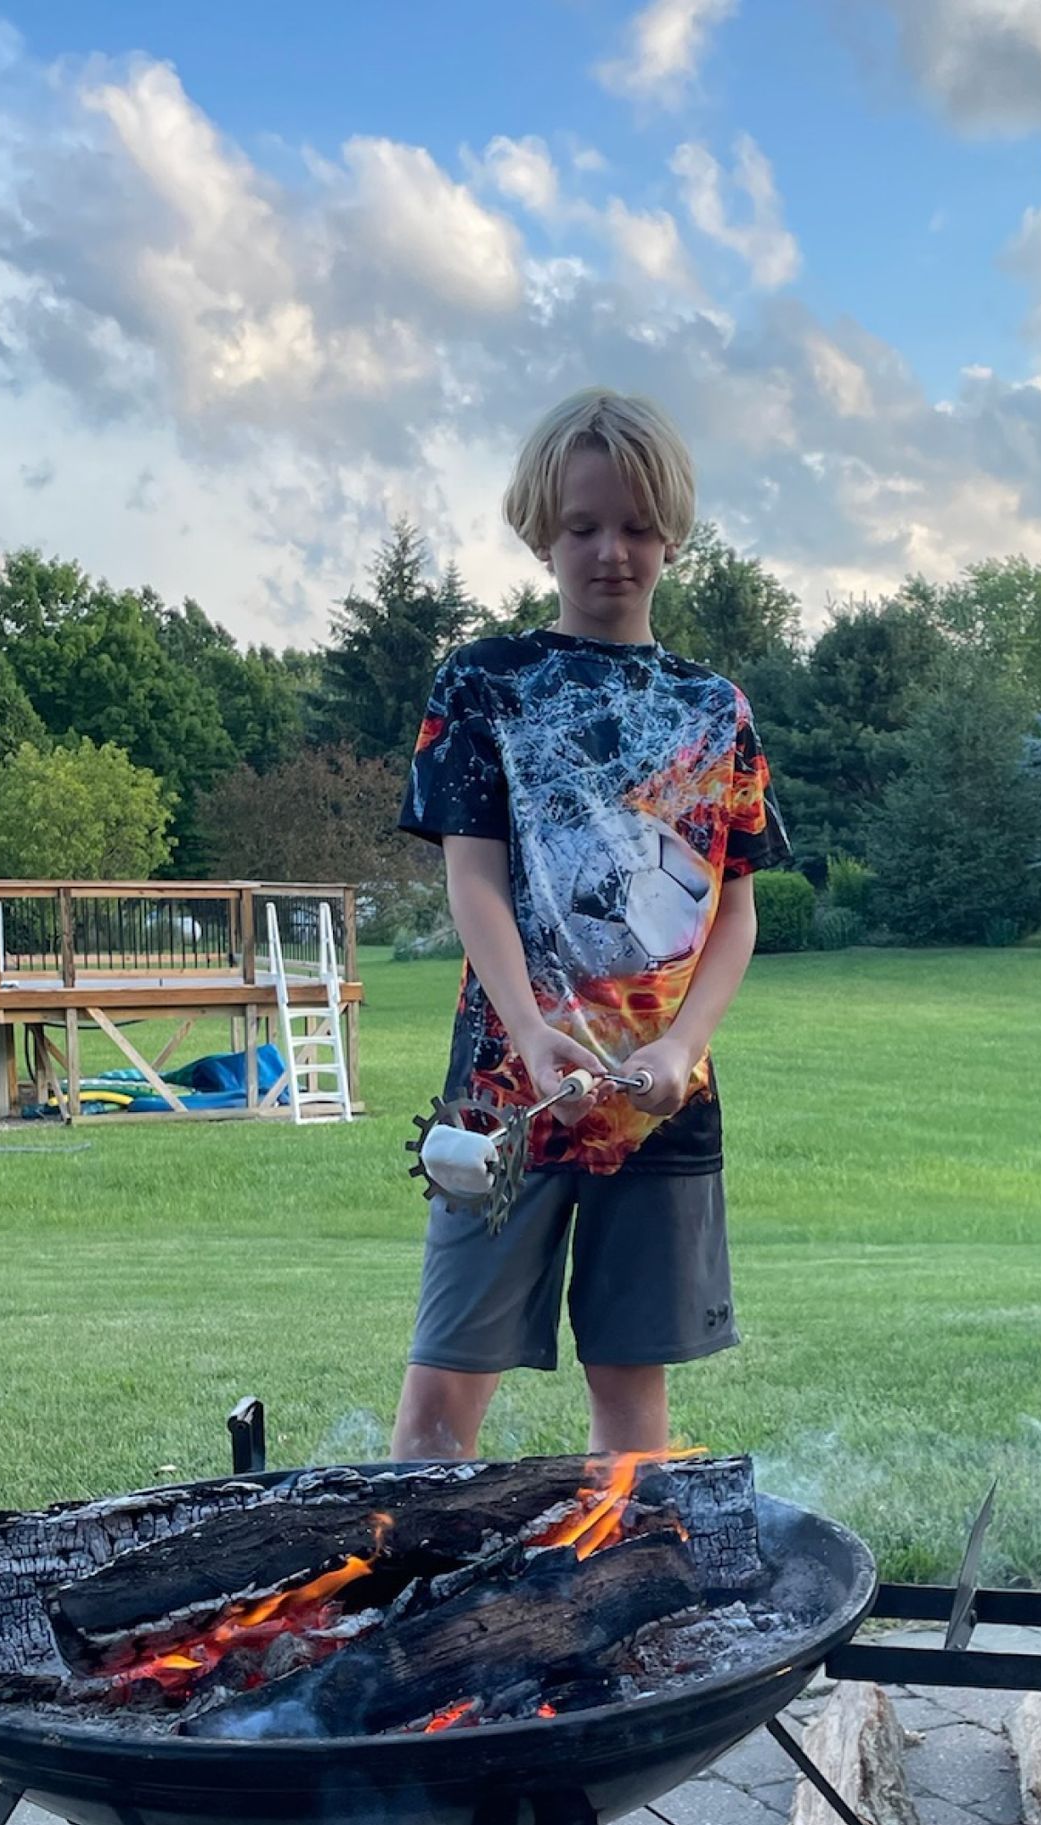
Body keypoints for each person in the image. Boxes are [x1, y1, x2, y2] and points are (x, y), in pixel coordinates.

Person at [389, 387, 789, 1461]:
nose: (611, 551)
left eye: (636, 526)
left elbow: (735, 906)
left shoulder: (718, 712)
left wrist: (682, 1046)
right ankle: (418, 1618)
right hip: (504, 1103)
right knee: (437, 1414)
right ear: (541, 531)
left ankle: (627, 1612)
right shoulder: (482, 685)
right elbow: (473, 879)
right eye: (583, 526)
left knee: (633, 1423)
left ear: (672, 533)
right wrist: (526, 1029)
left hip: (659, 1110)